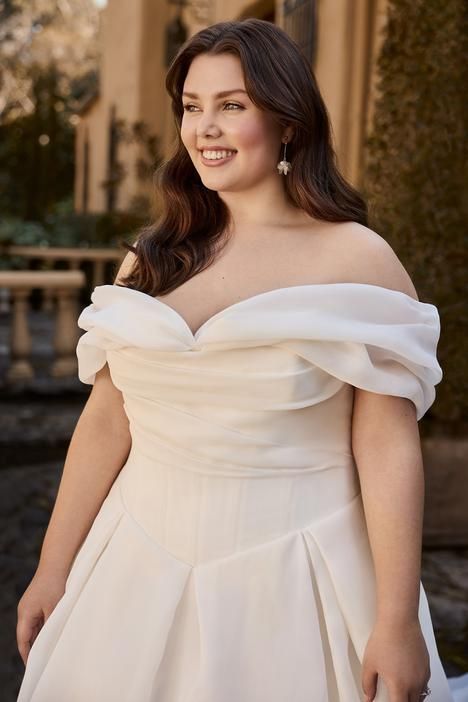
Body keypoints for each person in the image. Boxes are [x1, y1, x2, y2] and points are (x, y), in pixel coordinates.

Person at [15, 18, 462, 702]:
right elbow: (109, 420)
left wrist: (397, 618)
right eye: (193, 107)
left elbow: (386, 442)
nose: (206, 128)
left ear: (288, 123)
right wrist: (52, 568)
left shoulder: (356, 259)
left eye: (233, 106)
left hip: (294, 579)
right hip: (131, 567)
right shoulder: (155, 254)